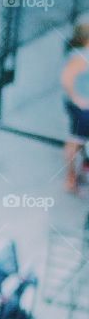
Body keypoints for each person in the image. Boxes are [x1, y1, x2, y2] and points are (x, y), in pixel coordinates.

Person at [61, 18, 89, 193]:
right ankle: (70, 177)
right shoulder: (80, 57)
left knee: (80, 140)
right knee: (76, 140)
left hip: (82, 106)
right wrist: (78, 99)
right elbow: (67, 78)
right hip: (82, 109)